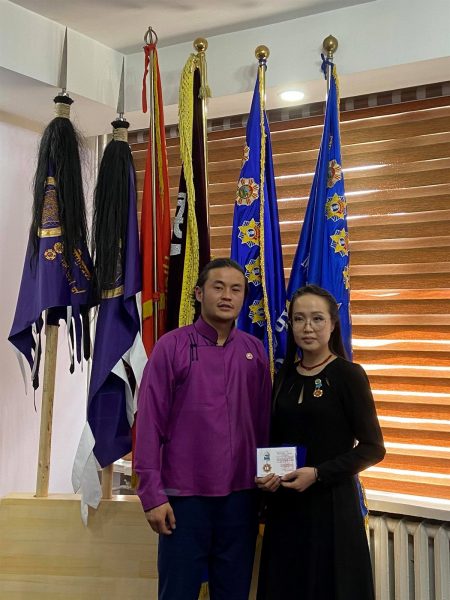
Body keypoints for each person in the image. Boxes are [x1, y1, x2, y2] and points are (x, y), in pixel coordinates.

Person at [135, 257, 272, 600]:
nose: (227, 296)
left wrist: (265, 489)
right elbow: (148, 424)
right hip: (185, 498)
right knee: (177, 592)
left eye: (236, 289)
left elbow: (262, 425)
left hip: (240, 497)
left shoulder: (254, 351)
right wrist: (152, 496)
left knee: (234, 592)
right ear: (199, 293)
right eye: (218, 287)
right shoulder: (171, 347)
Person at [256, 284, 385, 600]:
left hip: (331, 508)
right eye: (299, 319)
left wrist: (318, 473)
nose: (307, 327)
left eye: (317, 319)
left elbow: (373, 448)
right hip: (286, 508)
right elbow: (274, 439)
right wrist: (265, 476)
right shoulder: (283, 377)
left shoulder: (349, 375)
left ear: (332, 324)